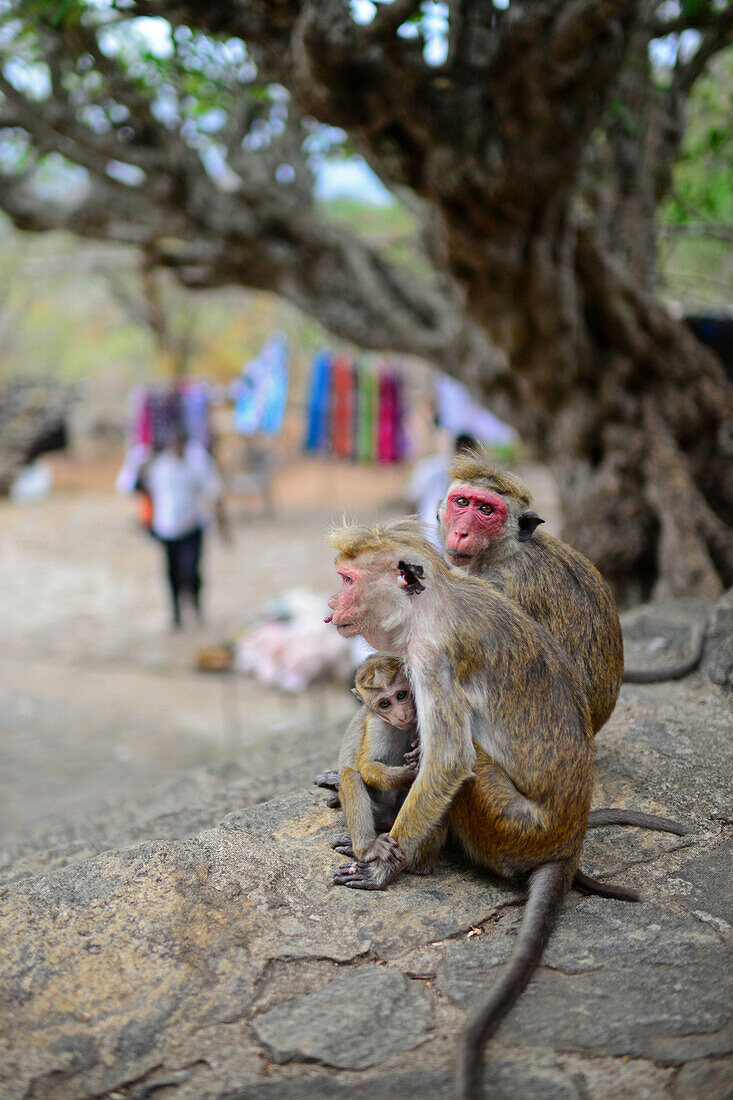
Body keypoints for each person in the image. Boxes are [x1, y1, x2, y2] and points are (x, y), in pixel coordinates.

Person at [138, 431, 229, 629]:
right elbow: (143, 492)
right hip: (166, 529)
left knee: (191, 570)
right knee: (171, 573)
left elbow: (214, 493)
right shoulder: (158, 465)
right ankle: (176, 614)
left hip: (191, 526)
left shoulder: (197, 462)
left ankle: (196, 608)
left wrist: (224, 528)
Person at [403, 432, 477, 547]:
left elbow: (411, 500)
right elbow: (411, 502)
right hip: (431, 534)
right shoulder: (429, 468)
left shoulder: (473, 477)